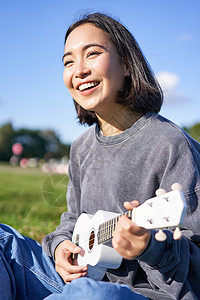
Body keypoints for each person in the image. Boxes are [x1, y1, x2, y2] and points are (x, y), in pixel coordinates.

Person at [0, 12, 200, 300]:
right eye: (69, 61)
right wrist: (59, 247)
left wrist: (150, 248)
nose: (78, 70)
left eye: (92, 54)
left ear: (128, 65)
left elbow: (195, 262)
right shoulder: (81, 146)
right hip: (74, 281)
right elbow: (72, 220)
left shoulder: (169, 143)